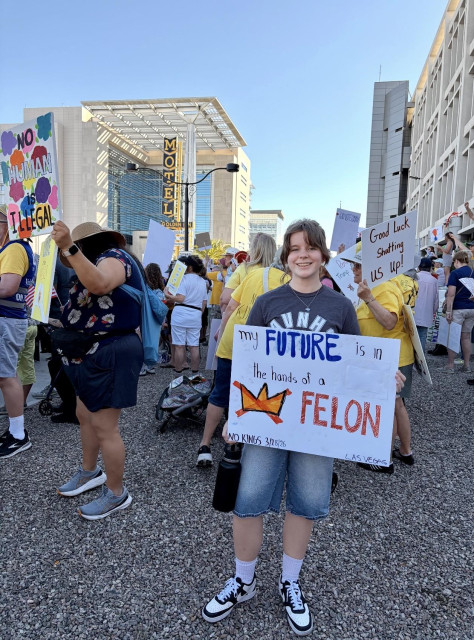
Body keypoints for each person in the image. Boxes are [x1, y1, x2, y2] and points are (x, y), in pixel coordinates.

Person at [202, 219, 361, 636]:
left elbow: (355, 365)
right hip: (267, 418)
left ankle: (289, 581)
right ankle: (244, 579)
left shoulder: (341, 308)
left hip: (314, 425)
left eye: (310, 248)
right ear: (285, 257)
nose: (302, 255)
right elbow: (247, 364)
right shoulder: (268, 303)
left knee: (305, 502)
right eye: (294, 249)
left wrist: (382, 380)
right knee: (249, 498)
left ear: (323, 254)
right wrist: (236, 417)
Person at [53, 221, 144, 520]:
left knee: (106, 426)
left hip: (111, 350)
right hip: (88, 351)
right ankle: (90, 472)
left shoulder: (114, 257)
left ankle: (117, 493)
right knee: (84, 414)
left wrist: (69, 246)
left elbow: (101, 285)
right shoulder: (89, 264)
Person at [196, 257, 290, 467]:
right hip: (262, 347)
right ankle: (245, 445)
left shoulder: (253, 274)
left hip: (233, 338)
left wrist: (221, 333)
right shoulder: (289, 282)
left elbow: (230, 306)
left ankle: (205, 445)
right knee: (256, 395)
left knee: (220, 393)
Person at [344, 244, 415, 472]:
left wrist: (368, 299)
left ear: (373, 267)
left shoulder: (382, 287)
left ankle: (384, 459)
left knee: (389, 406)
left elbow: (389, 322)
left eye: (358, 265)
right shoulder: (376, 286)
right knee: (396, 406)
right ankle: (405, 452)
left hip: (390, 358)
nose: (353, 270)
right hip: (387, 356)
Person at [0, 207, 36, 459]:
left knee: (6, 376)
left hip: (6, 320)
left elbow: (7, 287)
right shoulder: (17, 248)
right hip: (11, 320)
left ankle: (18, 435)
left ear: (7, 224)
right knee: (6, 375)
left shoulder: (13, 248)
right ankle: (15, 432)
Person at [164, 255, 207, 375]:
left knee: (179, 345)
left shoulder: (183, 279)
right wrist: (198, 313)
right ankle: (195, 372)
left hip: (181, 313)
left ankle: (178, 370)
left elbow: (181, 298)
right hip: (196, 313)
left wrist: (169, 296)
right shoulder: (203, 282)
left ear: (189, 267)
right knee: (194, 345)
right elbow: (204, 302)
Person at [219, 234, 276, 310]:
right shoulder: (280, 272)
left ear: (253, 250)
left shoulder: (244, 268)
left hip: (243, 318)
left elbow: (225, 299)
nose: (225, 258)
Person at [443, 250, 474, 373]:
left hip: (458, 308)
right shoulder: (473, 272)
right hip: (471, 308)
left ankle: (450, 366)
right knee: (466, 337)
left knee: (453, 337)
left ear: (457, 261)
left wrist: (449, 312)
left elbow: (451, 295)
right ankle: (467, 365)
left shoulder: (455, 273)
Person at [139, 262, 165, 376]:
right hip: (157, 320)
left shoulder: (144, 289)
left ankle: (142, 366)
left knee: (143, 341)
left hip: (145, 318)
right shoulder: (160, 292)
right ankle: (151, 365)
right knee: (154, 341)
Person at [414, 258, 439, 353]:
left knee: (410, 335)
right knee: (423, 335)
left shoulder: (414, 278)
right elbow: (436, 300)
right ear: (430, 268)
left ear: (419, 267)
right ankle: (421, 361)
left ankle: (410, 359)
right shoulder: (434, 281)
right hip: (427, 312)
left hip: (413, 311)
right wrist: (433, 311)